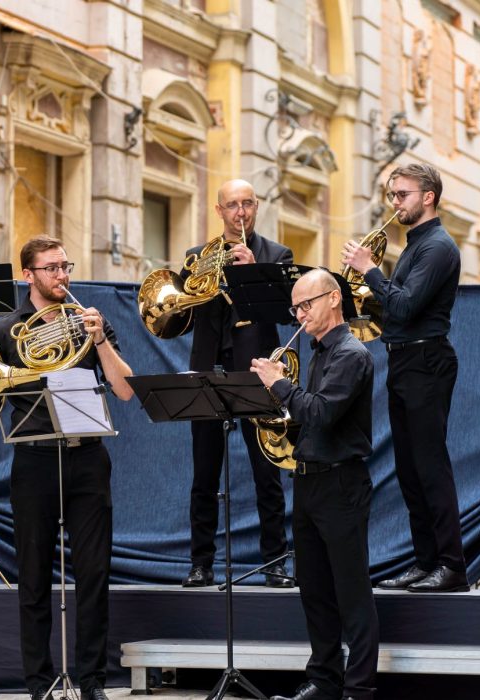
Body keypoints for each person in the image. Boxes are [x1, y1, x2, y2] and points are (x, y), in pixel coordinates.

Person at [0, 236, 134, 700]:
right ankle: (39, 684)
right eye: (52, 268)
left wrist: (99, 340)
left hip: (87, 457)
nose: (62, 276)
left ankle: (92, 682)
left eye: (66, 266)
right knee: (34, 576)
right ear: (29, 275)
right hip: (35, 459)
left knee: (94, 575)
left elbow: (125, 390)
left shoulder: (88, 321)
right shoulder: (5, 330)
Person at [251, 268, 379, 700]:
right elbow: (309, 420)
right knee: (316, 592)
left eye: (306, 304)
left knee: (352, 594)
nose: (300, 314)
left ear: (333, 299)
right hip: (308, 482)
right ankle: (324, 681)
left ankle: (358, 689)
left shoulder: (351, 354)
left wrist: (278, 384)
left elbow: (322, 412)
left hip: (340, 483)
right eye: (296, 308)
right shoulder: (320, 352)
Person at [341, 163, 467, 593]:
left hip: (426, 362)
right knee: (409, 470)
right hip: (404, 362)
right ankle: (426, 561)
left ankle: (451, 566)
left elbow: (406, 306)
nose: (395, 203)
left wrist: (369, 269)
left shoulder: (439, 247)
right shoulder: (415, 245)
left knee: (430, 467)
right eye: (392, 195)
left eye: (402, 195)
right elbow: (393, 309)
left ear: (428, 197)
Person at [181, 178, 294, 588]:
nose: (240, 212)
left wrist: (253, 274)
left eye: (247, 203)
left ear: (257, 206)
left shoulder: (277, 255)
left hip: (259, 371)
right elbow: (180, 319)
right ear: (219, 210)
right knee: (204, 474)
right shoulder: (196, 258)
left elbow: (288, 313)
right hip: (208, 371)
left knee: (267, 471)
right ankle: (201, 563)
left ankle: (276, 562)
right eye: (232, 205)